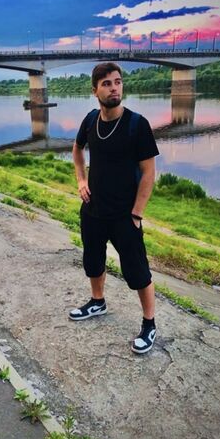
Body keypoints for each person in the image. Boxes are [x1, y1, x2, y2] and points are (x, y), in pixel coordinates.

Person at [70, 62, 159, 354]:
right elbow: (77, 149)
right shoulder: (90, 120)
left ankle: (149, 324)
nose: (114, 88)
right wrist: (81, 180)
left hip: (124, 215)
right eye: (107, 83)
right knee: (93, 261)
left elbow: (148, 173)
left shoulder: (137, 125)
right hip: (93, 210)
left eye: (118, 82)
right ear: (95, 90)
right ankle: (98, 302)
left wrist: (137, 213)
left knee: (137, 271)